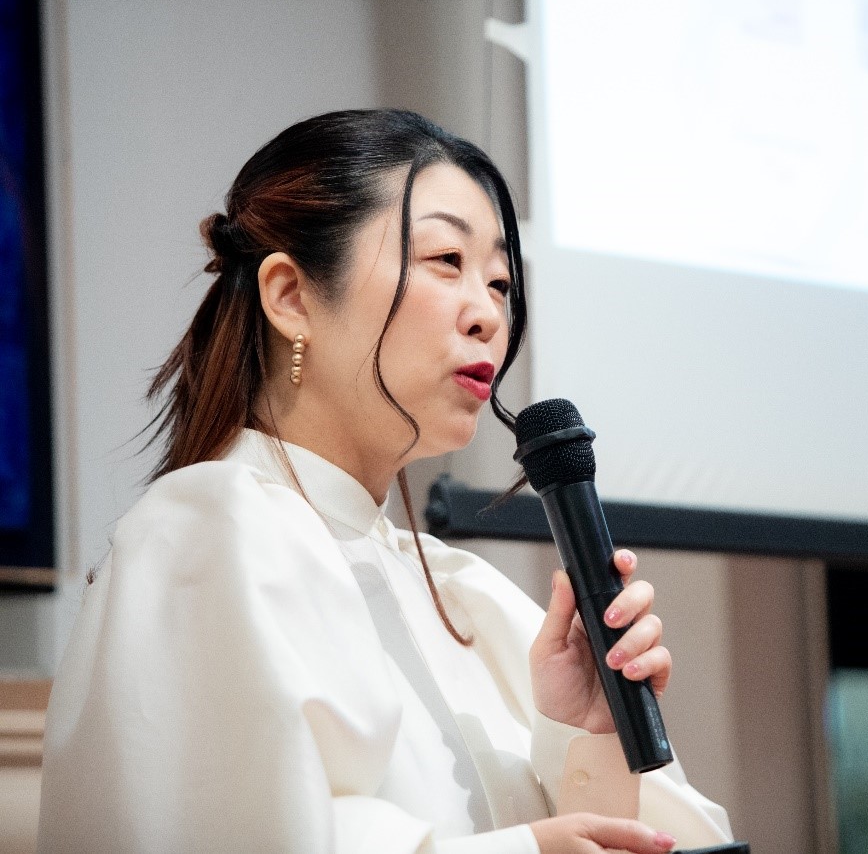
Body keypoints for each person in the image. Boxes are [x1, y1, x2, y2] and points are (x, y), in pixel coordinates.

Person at [37, 109, 733, 853]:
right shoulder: (206, 533)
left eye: (500, 281)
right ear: (291, 296)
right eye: (446, 260)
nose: (488, 314)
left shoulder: (468, 595)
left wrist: (585, 733)